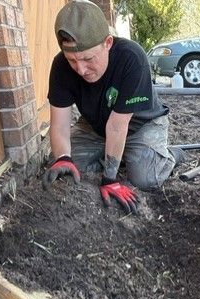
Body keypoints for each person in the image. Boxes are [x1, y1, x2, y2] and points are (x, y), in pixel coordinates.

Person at [43, 0, 180, 214]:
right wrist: (63, 158)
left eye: (88, 59)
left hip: (141, 125)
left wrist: (109, 178)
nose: (80, 69)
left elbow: (117, 126)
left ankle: (168, 156)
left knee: (145, 179)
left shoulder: (131, 58)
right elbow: (59, 126)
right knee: (67, 167)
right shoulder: (60, 66)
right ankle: (121, 155)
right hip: (95, 126)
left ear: (108, 43)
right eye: (72, 60)